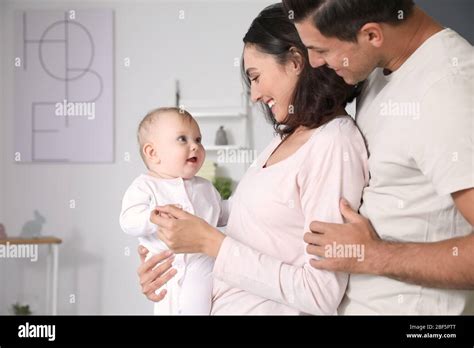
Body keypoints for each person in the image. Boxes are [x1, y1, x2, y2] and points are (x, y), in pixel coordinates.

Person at [138, 3, 368, 315]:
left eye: (256, 77)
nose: (254, 95)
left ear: (296, 61)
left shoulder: (333, 143)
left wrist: (210, 243)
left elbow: (321, 293)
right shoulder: (283, 139)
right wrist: (169, 259)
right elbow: (240, 224)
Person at [281, 0, 474, 314]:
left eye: (321, 49)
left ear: (371, 35)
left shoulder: (447, 91)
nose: (314, 62)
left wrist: (371, 255)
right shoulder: (381, 68)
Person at [120, 107, 229, 314]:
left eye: (198, 139)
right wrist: (152, 217)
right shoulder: (145, 186)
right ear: (153, 153)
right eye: (183, 139)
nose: (195, 146)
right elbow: (128, 220)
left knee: (199, 304)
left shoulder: (205, 187)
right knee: (167, 306)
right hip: (167, 267)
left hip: (202, 263)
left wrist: (240, 204)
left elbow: (221, 213)